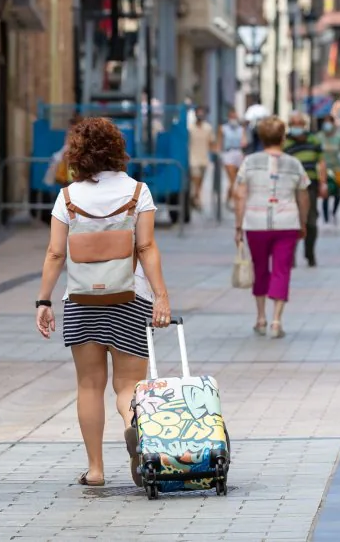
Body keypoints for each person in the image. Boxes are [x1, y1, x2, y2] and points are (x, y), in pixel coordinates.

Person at [34, 116, 173, 488]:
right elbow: (145, 247)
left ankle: (95, 471)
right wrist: (161, 295)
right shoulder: (137, 192)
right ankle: (134, 432)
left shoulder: (68, 197)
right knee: (128, 386)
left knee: (89, 386)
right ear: (117, 150)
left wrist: (43, 301)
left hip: (81, 300)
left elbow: (54, 253)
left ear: (78, 154)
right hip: (130, 298)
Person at [231, 116, 311, 339]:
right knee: (282, 269)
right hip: (287, 222)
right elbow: (303, 195)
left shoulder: (249, 162)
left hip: (255, 223)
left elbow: (239, 195)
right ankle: (276, 320)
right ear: (283, 137)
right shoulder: (294, 163)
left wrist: (238, 226)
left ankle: (260, 318)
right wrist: (303, 222)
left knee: (260, 268)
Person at [284, 112, 329, 268]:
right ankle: (291, 257)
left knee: (311, 221)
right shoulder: (285, 142)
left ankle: (310, 254)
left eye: (299, 124)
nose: (297, 127)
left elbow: (321, 162)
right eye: (294, 124)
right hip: (290, 187)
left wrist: (323, 183)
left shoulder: (313, 140)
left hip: (310, 185)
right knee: (291, 221)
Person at [317, 118, 340, 224]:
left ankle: (333, 212)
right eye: (325, 123)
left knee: (338, 193)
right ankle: (326, 218)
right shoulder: (319, 137)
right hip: (323, 170)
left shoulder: (339, 137)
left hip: (337, 169)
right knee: (326, 192)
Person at [186, 106, 216, 210]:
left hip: (204, 158)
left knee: (200, 182)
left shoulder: (208, 128)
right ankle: (197, 199)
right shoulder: (190, 128)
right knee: (196, 178)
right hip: (192, 158)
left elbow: (211, 142)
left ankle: (194, 197)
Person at [219, 108, 247, 207]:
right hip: (228, 153)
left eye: (235, 117)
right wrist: (220, 155)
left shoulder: (241, 129)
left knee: (238, 179)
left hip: (238, 153)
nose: (233, 119)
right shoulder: (223, 128)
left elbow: (245, 141)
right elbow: (219, 143)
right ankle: (232, 200)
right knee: (232, 180)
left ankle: (229, 198)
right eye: (232, 117)